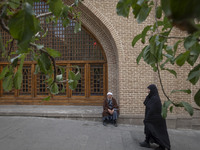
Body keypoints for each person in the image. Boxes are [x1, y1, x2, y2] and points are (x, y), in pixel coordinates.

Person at [140, 84, 171, 150]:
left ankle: (162, 146)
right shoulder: (151, 97)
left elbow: (153, 110)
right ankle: (147, 142)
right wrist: (148, 96)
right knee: (148, 129)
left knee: (157, 132)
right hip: (150, 118)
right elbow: (145, 103)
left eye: (149, 89)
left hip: (156, 120)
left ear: (152, 90)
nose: (147, 91)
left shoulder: (155, 99)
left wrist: (147, 119)